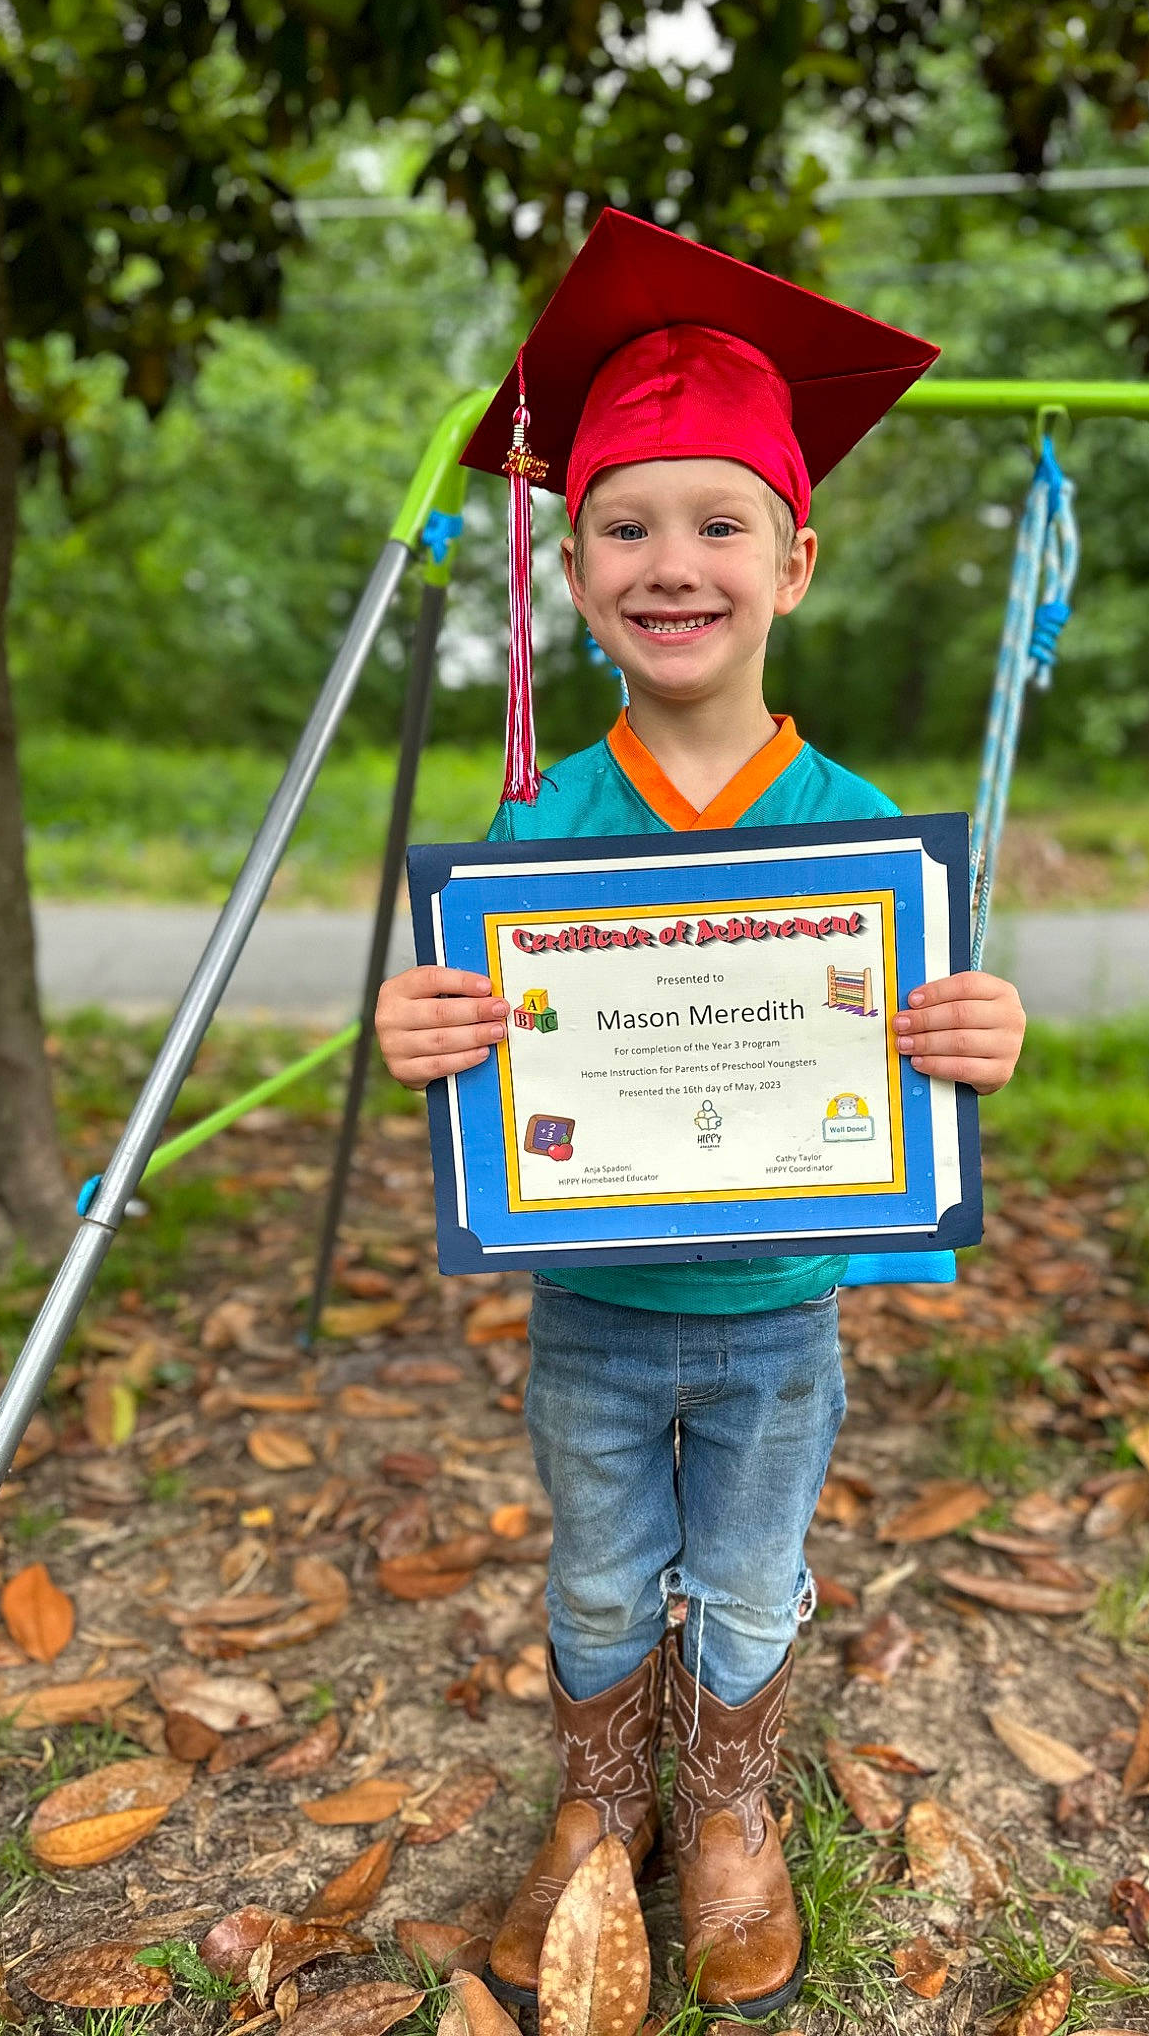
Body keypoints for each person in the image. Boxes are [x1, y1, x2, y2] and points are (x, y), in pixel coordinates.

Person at [375, 209, 1027, 2019]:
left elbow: (919, 1039)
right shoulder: (537, 834)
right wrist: (421, 1026)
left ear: (793, 559)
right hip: (589, 1308)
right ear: (572, 574)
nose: (674, 563)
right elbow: (482, 1043)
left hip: (778, 1318)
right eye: (624, 528)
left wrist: (975, 1029)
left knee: (747, 1581)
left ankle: (726, 1806)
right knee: (599, 1575)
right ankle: (600, 1803)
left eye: (718, 522)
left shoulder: (859, 830)